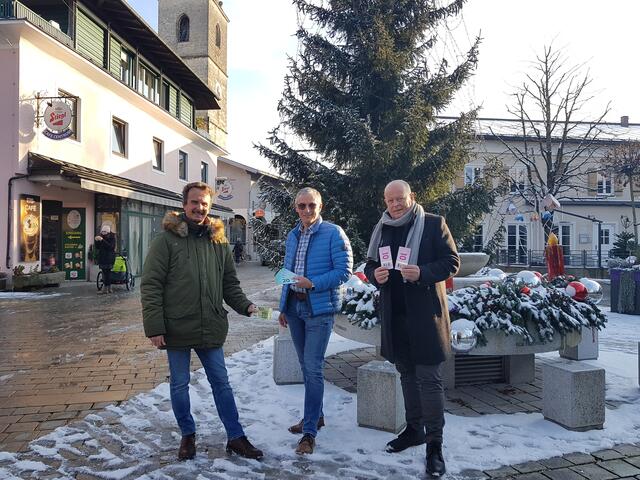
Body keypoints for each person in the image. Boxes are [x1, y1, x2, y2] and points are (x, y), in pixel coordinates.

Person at [141, 181, 264, 462]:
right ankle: (187, 434)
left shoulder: (219, 241)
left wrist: (245, 305)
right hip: (176, 326)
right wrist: (155, 326)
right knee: (179, 385)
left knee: (222, 383)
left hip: (210, 324)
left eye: (204, 203)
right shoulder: (166, 241)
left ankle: (236, 437)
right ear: (184, 205)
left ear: (209, 206)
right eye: (194, 202)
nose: (199, 207)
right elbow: (151, 285)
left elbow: (229, 283)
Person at [364, 180, 459, 477]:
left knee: (429, 379)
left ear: (411, 197)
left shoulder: (433, 224)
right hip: (396, 315)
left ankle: (435, 445)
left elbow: (452, 262)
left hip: (426, 316)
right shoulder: (382, 227)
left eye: (400, 199)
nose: (395, 205)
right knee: (406, 373)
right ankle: (414, 429)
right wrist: (373, 274)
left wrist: (423, 272)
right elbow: (369, 263)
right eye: (390, 200)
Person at [278, 187, 352, 455]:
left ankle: (309, 432)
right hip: (295, 309)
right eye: (302, 206)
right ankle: (316, 417)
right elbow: (286, 271)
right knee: (304, 365)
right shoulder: (293, 234)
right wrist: (283, 306)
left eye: (312, 205)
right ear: (296, 208)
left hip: (319, 310)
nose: (307, 210)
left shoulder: (333, 233)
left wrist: (313, 284)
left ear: (320, 206)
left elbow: (344, 271)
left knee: (313, 368)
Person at [95, 225, 116, 294]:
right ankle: (107, 288)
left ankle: (107, 288)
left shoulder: (112, 237)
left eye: (104, 232)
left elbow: (110, 247)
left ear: (108, 232)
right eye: (102, 231)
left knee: (108, 273)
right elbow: (98, 247)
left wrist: (102, 240)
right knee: (104, 273)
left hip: (109, 258)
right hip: (102, 257)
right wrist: (97, 241)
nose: (103, 233)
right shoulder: (101, 237)